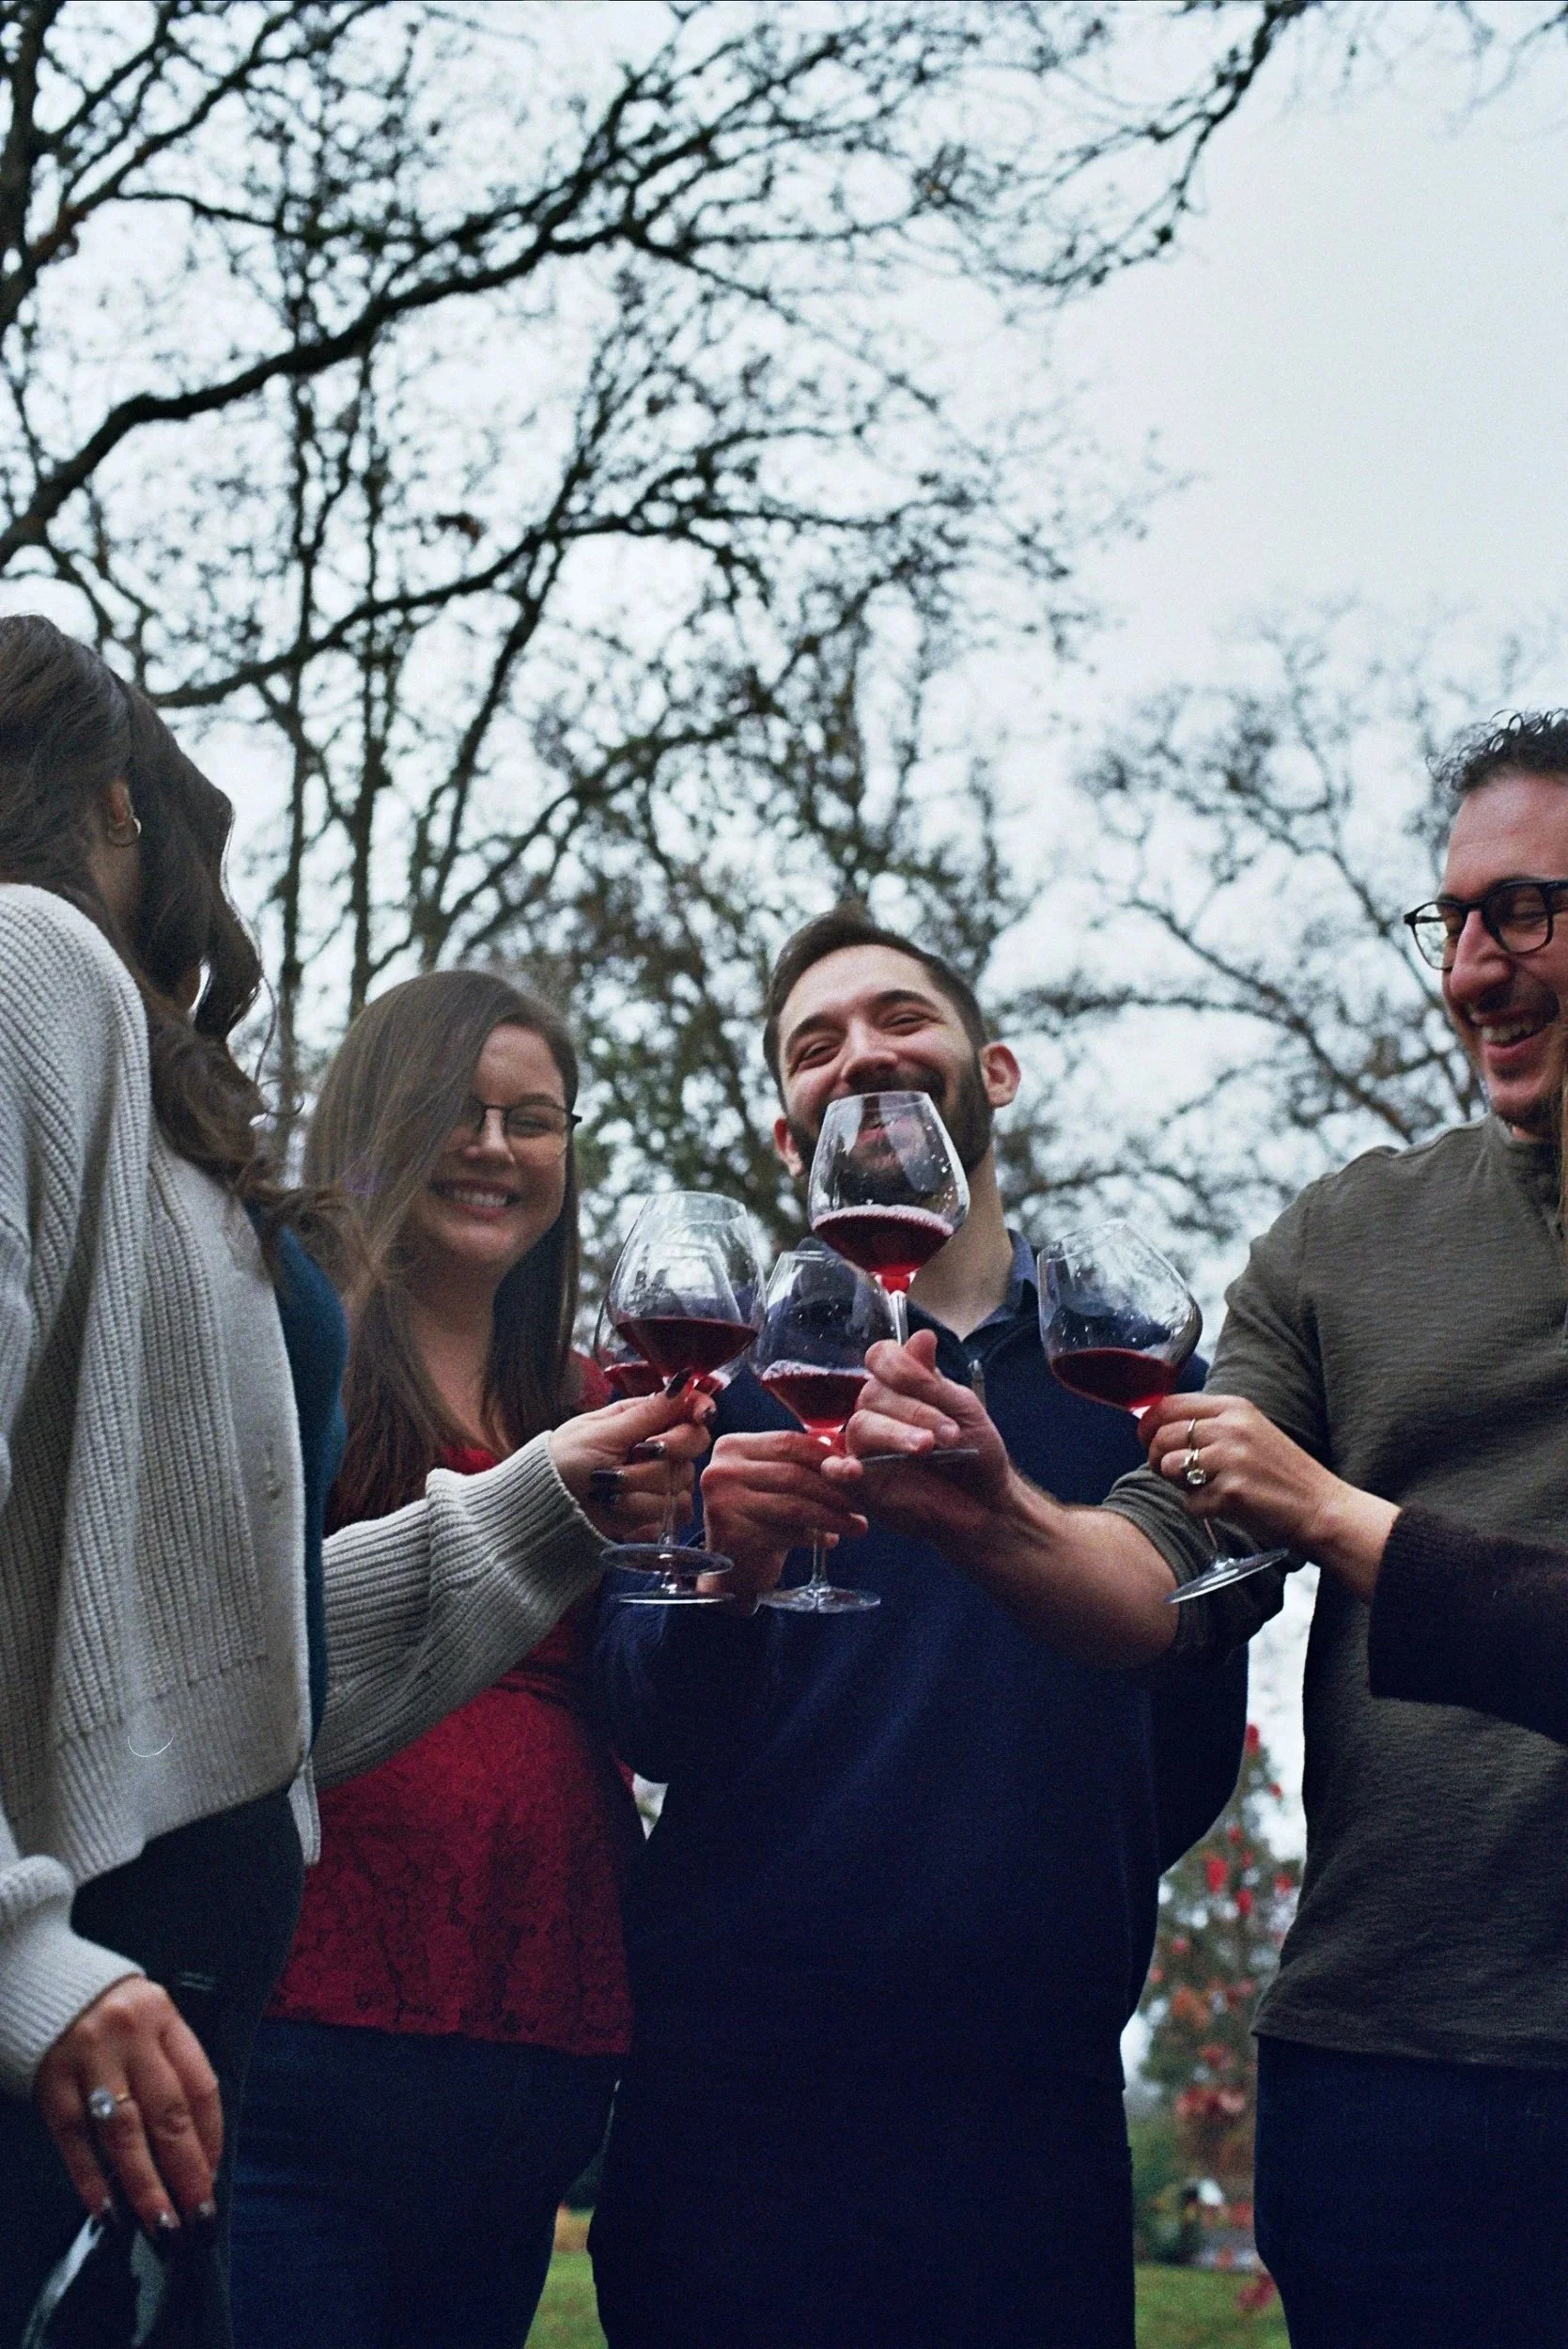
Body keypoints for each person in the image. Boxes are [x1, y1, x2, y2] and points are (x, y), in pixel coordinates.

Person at [0, 615, 703, 2347]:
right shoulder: (33, 961)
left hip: (196, 2009)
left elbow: (238, 1664)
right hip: (103, 1998)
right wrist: (17, 1949)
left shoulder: (127, 1058)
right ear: (108, 798)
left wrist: (548, 1502)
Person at [837, 713, 1568, 2348]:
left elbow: (1296, 1512)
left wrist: (1338, 1516)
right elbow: (1164, 1558)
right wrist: (996, 1513)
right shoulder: (1348, 1240)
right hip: (1389, 2075)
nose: (1469, 975)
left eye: (1523, 913)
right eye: (1449, 922)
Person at [586, 904, 1247, 2349]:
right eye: (812, 1045)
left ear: (991, 1071)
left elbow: (1187, 1729)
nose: (861, 1054)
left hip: (1026, 2121)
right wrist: (725, 1581)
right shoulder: (717, 1385)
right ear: (785, 1138)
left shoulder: (1133, 1378)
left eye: (900, 1017)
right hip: (729, 2108)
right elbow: (637, 1712)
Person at [230, 972, 651, 2349]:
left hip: (534, 2037)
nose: (494, 1147)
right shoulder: (292, 1349)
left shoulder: (600, 1399)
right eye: (459, 1113)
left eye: (533, 1120)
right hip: (299, 2024)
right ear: (380, 1125)